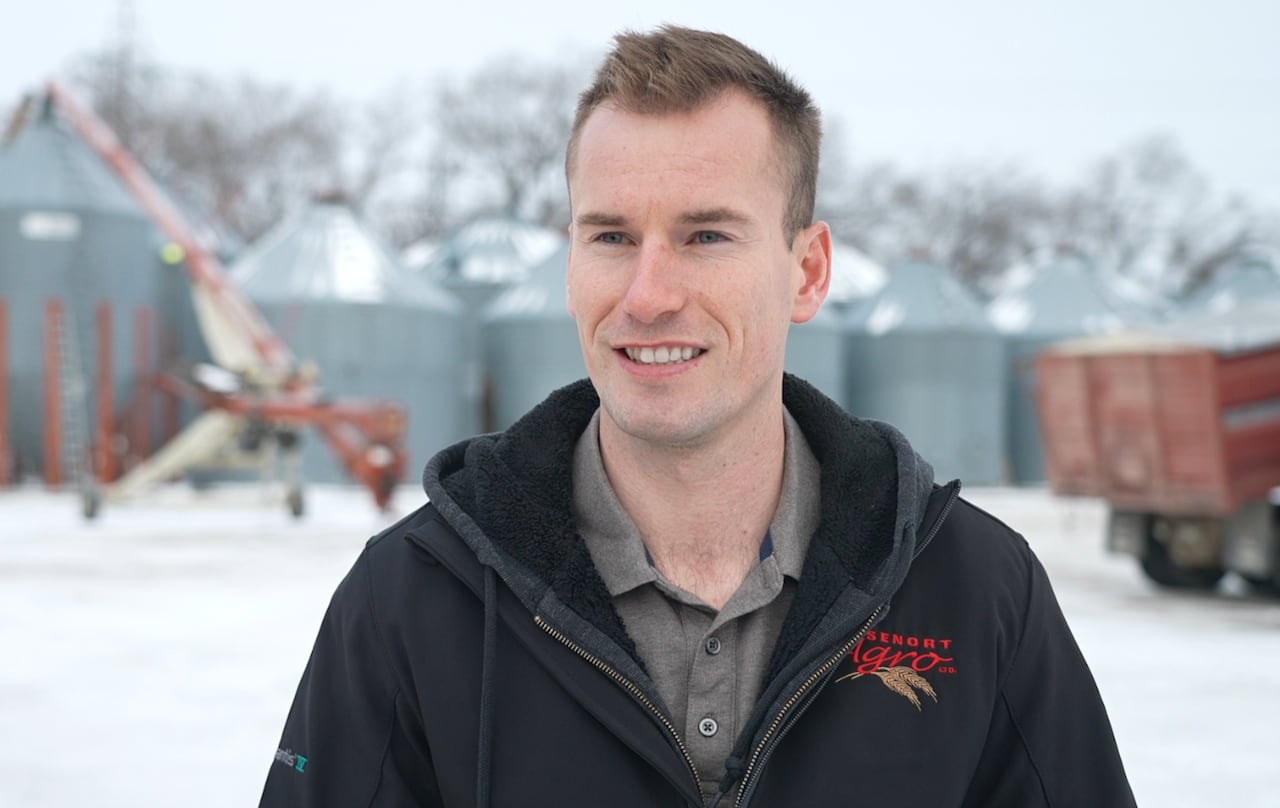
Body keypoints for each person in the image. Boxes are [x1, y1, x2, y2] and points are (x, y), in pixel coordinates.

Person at [260, 25, 1136, 808]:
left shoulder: (976, 593)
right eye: (610, 237)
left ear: (808, 272)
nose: (647, 297)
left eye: (705, 236)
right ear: (567, 263)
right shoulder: (413, 601)